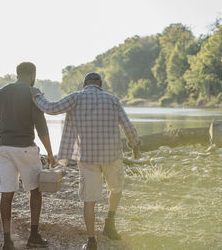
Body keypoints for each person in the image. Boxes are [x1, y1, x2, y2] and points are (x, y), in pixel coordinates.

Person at [30, 72, 141, 250]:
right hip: (111, 156)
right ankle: (110, 223)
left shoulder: (76, 97)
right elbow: (127, 125)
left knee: (89, 200)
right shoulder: (112, 99)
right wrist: (134, 145)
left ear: (84, 84)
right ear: (100, 85)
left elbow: (51, 109)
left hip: (87, 158)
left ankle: (91, 241)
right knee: (116, 188)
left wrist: (36, 95)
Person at [0, 62, 55, 250]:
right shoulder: (32, 93)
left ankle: (7, 241)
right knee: (35, 191)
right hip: (25, 148)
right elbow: (41, 127)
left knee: (6, 193)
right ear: (32, 75)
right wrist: (50, 154)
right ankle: (33, 235)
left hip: (4, 148)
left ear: (17, 74)